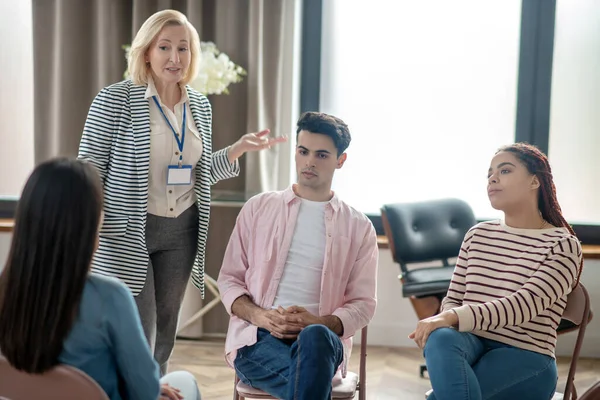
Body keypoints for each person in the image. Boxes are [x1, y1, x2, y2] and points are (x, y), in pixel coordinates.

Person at [77, 9, 285, 375]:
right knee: (138, 324)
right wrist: (90, 227)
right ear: (146, 53)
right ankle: (134, 388)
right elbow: (88, 168)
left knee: (167, 324)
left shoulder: (200, 106)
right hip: (128, 231)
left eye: (183, 48)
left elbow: (197, 175)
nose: (175, 58)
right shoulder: (115, 100)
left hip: (182, 230)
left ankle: (157, 387)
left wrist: (236, 150)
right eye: (165, 47)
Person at [0, 158, 201, 400]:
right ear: (88, 224)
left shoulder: (5, 292)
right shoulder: (109, 297)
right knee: (185, 383)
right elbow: (145, 391)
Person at [217, 112, 378, 400]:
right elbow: (229, 280)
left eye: (321, 155)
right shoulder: (258, 208)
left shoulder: (359, 227)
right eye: (303, 151)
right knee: (309, 381)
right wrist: (263, 317)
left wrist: (317, 322)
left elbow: (363, 305)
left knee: (314, 340)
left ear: (341, 161)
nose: (309, 162)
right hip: (257, 337)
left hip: (322, 342)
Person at [409, 143, 583, 400]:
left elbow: (523, 306)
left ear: (534, 181)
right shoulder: (477, 235)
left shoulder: (563, 244)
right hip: (472, 344)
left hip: (526, 357)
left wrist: (450, 317)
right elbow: (454, 298)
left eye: (505, 171)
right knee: (441, 337)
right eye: (490, 173)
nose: (492, 178)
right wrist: (446, 319)